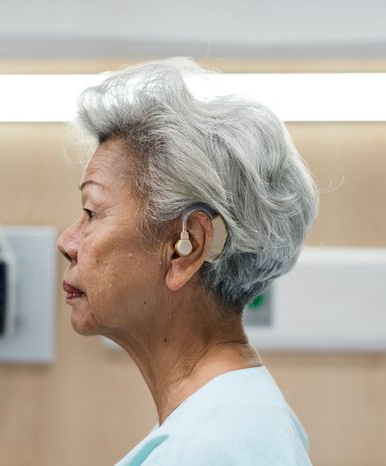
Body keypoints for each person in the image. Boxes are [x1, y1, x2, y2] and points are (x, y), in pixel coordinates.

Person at [57, 58, 318, 466]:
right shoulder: (239, 424)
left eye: (92, 212)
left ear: (187, 247)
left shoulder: (214, 449)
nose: (67, 241)